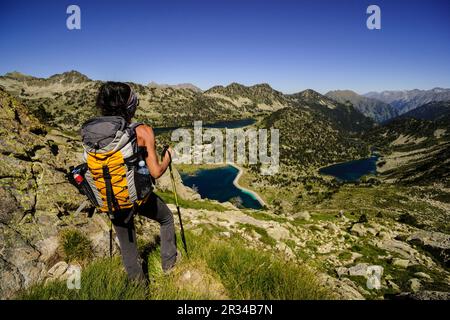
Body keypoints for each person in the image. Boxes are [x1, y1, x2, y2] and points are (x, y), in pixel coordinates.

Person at [95, 81, 178, 281]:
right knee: (166, 219)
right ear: (129, 105)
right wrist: (167, 156)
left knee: (128, 247)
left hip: (111, 197)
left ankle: (138, 290)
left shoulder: (94, 132)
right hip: (137, 196)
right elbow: (156, 172)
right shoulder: (142, 131)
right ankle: (169, 265)